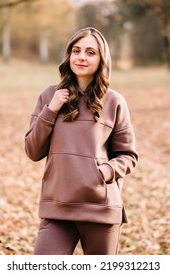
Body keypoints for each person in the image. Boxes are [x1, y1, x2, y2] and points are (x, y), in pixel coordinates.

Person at [25, 27, 138, 255]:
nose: (81, 57)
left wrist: (103, 172)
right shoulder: (49, 96)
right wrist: (52, 109)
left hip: (100, 209)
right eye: (76, 51)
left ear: (101, 59)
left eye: (90, 52)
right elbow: (33, 150)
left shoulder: (114, 101)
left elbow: (128, 155)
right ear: (69, 56)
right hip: (57, 207)